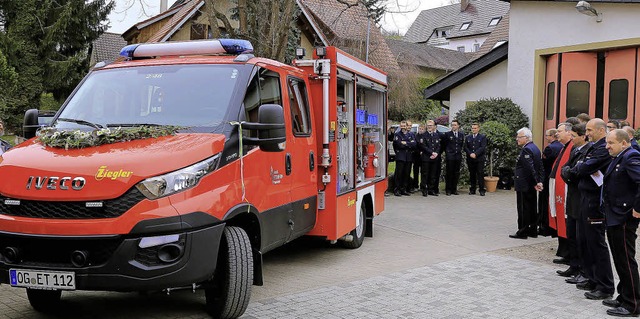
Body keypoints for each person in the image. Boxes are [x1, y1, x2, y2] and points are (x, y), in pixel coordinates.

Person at [564, 118, 614, 300]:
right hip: (585, 198)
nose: (587, 134)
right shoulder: (594, 146)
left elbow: (585, 167)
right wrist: (578, 168)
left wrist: (578, 168)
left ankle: (605, 286)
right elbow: (579, 166)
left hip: (595, 201)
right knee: (585, 241)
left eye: (591, 130)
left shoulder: (602, 148)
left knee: (596, 243)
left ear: (601, 130)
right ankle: (592, 278)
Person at [601, 129, 640, 317]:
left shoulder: (631, 156)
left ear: (624, 143)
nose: (607, 146)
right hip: (614, 214)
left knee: (626, 260)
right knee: (619, 258)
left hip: (623, 216)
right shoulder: (619, 156)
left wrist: (637, 208)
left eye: (611, 143)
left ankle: (633, 304)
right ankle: (624, 296)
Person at [558, 123, 590, 280]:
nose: (571, 138)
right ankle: (574, 265)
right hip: (572, 197)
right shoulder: (574, 150)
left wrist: (569, 173)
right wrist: (569, 173)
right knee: (571, 233)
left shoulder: (586, 151)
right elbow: (565, 169)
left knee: (579, 236)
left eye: (573, 136)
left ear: (582, 136)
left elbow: (576, 173)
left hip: (579, 197)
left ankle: (581, 270)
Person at [510, 127, 544, 239]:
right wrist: (538, 181)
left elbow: (530, 168)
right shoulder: (535, 148)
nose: (517, 139)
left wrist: (536, 182)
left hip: (525, 183)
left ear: (526, 138)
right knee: (532, 207)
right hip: (530, 183)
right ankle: (532, 230)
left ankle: (523, 231)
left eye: (519, 137)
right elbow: (538, 167)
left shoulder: (527, 149)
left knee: (524, 208)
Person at [549, 122, 574, 264]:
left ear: (569, 133)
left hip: (565, 190)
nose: (557, 133)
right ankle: (564, 251)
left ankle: (568, 253)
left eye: (560, 131)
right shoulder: (564, 147)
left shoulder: (572, 147)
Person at [540, 128, 563, 236]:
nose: (546, 137)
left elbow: (543, 165)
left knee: (545, 203)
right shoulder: (562, 147)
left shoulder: (550, 148)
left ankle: (545, 226)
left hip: (548, 177)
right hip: (558, 178)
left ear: (553, 136)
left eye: (547, 135)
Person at [418, 120, 442, 196]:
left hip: (434, 158)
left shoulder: (436, 135)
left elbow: (438, 146)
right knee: (425, 174)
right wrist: (432, 153)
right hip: (426, 157)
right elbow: (423, 146)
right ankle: (424, 189)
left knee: (433, 174)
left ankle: (431, 189)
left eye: (431, 125)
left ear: (434, 126)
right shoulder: (423, 135)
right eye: (428, 125)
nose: (429, 127)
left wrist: (436, 153)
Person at [393, 120, 416, 196]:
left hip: (408, 157)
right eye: (401, 126)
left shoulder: (411, 134)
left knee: (407, 174)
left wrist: (405, 143)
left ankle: (404, 189)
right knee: (399, 174)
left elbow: (414, 144)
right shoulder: (397, 134)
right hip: (400, 157)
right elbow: (399, 144)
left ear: (407, 126)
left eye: (404, 126)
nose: (403, 127)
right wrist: (408, 143)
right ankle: (397, 189)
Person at [464, 123, 487, 196]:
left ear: (478, 129)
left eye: (475, 128)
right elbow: (465, 147)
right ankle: (472, 189)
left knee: (480, 173)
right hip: (470, 159)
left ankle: (481, 190)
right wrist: (470, 154)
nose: (474, 130)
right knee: (472, 174)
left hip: (479, 159)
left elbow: (482, 147)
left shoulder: (482, 137)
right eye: (472, 128)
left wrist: (475, 154)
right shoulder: (468, 137)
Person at [444, 119, 464, 196]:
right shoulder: (447, 134)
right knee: (449, 173)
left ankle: (454, 189)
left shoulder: (461, 135)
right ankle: (448, 189)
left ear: (458, 126)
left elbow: (461, 145)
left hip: (457, 156)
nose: (453, 126)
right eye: (452, 125)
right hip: (450, 156)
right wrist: (448, 153)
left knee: (456, 173)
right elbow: (445, 145)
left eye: (455, 125)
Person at [409, 121, 421, 193]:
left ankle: (422, 185)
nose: (421, 130)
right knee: (415, 172)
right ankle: (415, 185)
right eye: (420, 129)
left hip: (423, 157)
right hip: (415, 156)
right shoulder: (415, 136)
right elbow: (414, 145)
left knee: (423, 172)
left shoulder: (425, 136)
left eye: (422, 129)